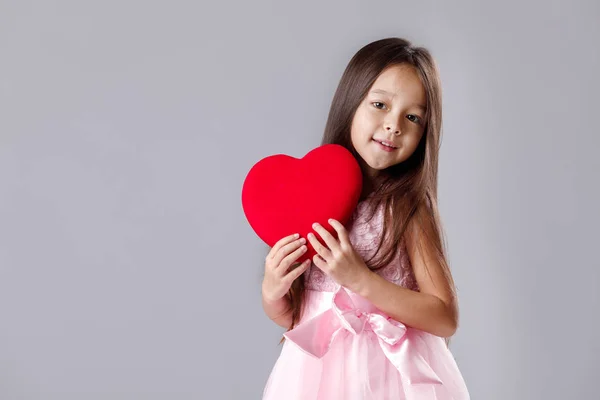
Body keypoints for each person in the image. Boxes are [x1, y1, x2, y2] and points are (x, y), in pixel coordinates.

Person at [260, 37, 470, 399]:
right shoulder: (310, 201)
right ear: (351, 102)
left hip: (390, 377)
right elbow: (300, 315)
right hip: (313, 377)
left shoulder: (407, 207)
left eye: (412, 117)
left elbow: (444, 316)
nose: (393, 125)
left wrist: (360, 279)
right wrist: (273, 291)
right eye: (380, 104)